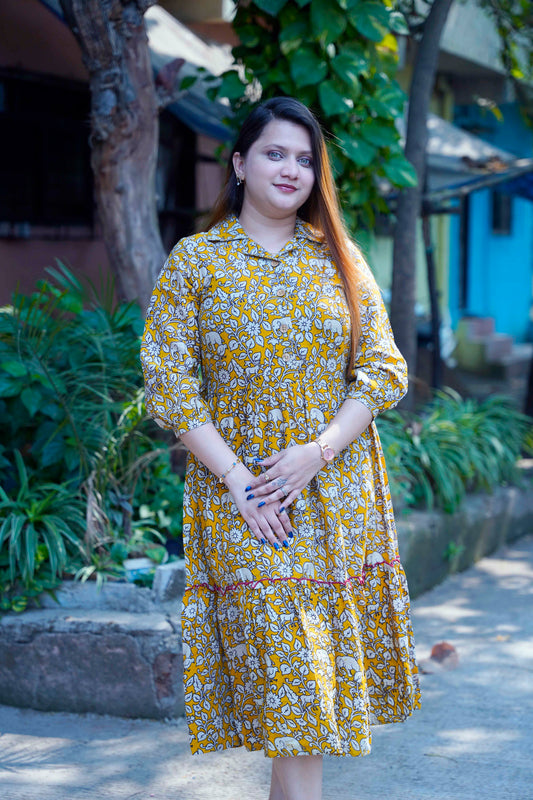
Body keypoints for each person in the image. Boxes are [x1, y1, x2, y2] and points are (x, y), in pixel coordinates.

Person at [141, 96, 420, 800]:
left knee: (305, 705)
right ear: (238, 164)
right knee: (294, 685)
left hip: (334, 493)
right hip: (241, 501)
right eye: (274, 153)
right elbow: (170, 387)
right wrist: (240, 480)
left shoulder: (340, 262)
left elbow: (383, 370)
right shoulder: (197, 261)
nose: (290, 168)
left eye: (304, 158)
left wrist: (314, 453)